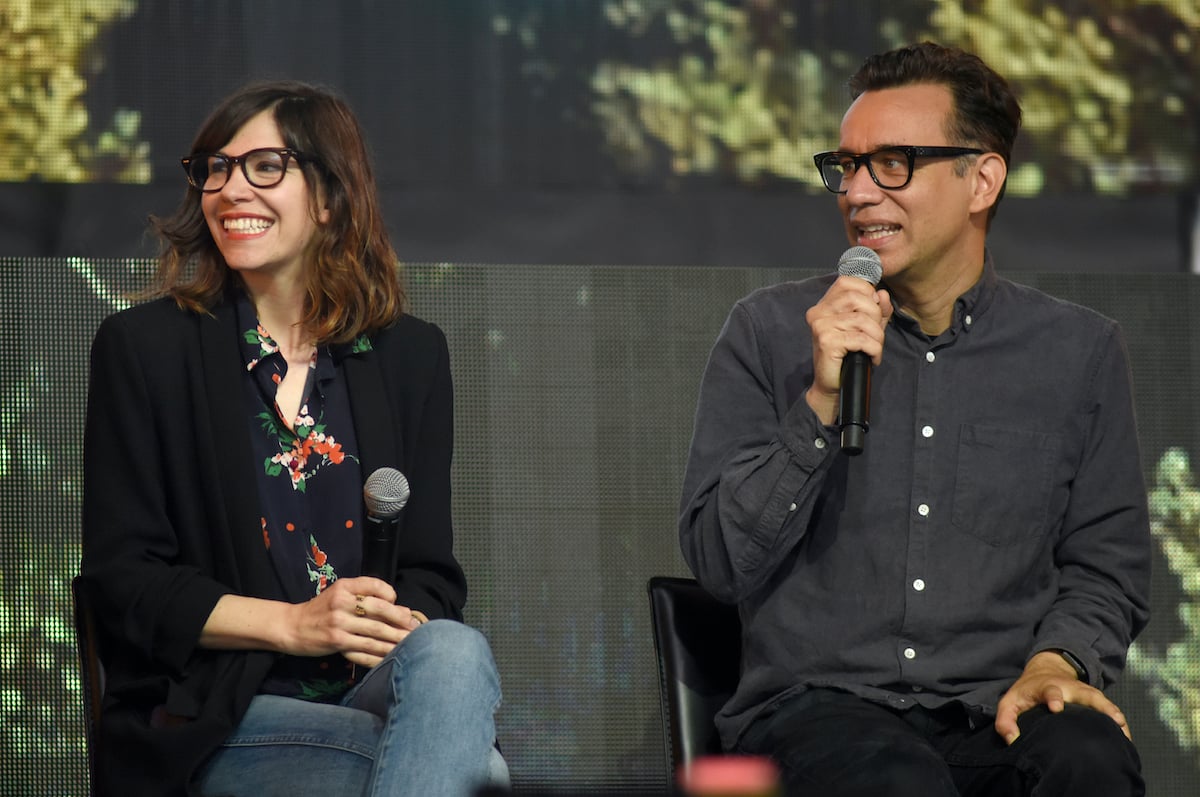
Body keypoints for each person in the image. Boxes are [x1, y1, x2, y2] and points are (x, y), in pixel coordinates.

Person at [678, 42, 1150, 796]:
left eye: (892, 163)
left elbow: (1106, 568)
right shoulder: (769, 333)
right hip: (819, 713)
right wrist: (821, 405)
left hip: (1000, 702)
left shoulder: (1078, 352)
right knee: (895, 779)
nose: (859, 192)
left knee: (1088, 758)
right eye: (847, 165)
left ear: (982, 179)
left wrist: (1056, 662)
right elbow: (719, 563)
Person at [79, 80, 506, 797]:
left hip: (368, 692)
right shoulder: (143, 348)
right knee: (477, 771)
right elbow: (126, 581)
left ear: (331, 195)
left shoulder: (411, 355)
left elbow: (432, 576)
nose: (229, 189)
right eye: (214, 168)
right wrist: (296, 625)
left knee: (454, 652)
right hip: (217, 716)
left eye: (264, 167)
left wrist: (373, 618)